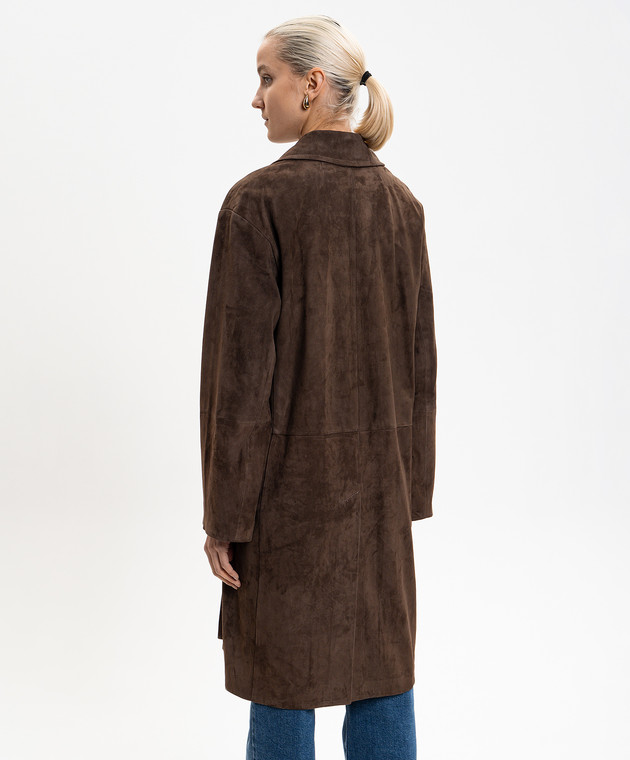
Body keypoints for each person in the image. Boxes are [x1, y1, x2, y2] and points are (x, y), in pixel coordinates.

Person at [200, 14, 437, 760]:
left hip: (285, 505)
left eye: (265, 78)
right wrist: (409, 493)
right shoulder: (401, 205)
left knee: (281, 679)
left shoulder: (259, 202)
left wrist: (224, 514)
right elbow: (421, 371)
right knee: (381, 675)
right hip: (379, 502)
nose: (256, 97)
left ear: (310, 86)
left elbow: (239, 382)